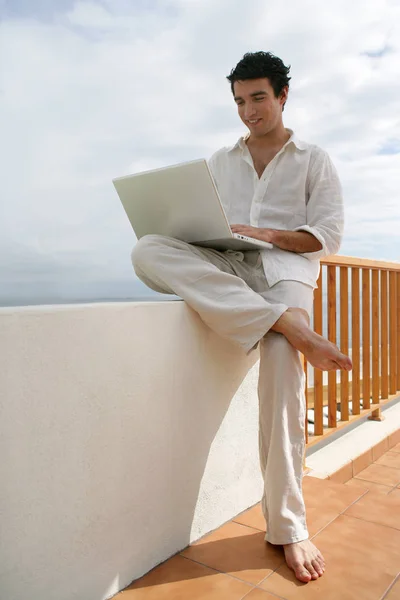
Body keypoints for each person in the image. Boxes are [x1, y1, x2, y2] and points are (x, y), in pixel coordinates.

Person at [131, 51, 352, 584]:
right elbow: (194, 227)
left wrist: (268, 233)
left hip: (283, 271)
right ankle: (289, 324)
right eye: (239, 101)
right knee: (148, 250)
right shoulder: (219, 160)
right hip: (227, 265)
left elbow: (327, 236)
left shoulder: (313, 158)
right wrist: (199, 232)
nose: (248, 111)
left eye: (257, 98)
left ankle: (290, 526)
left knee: (280, 367)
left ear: (281, 96)